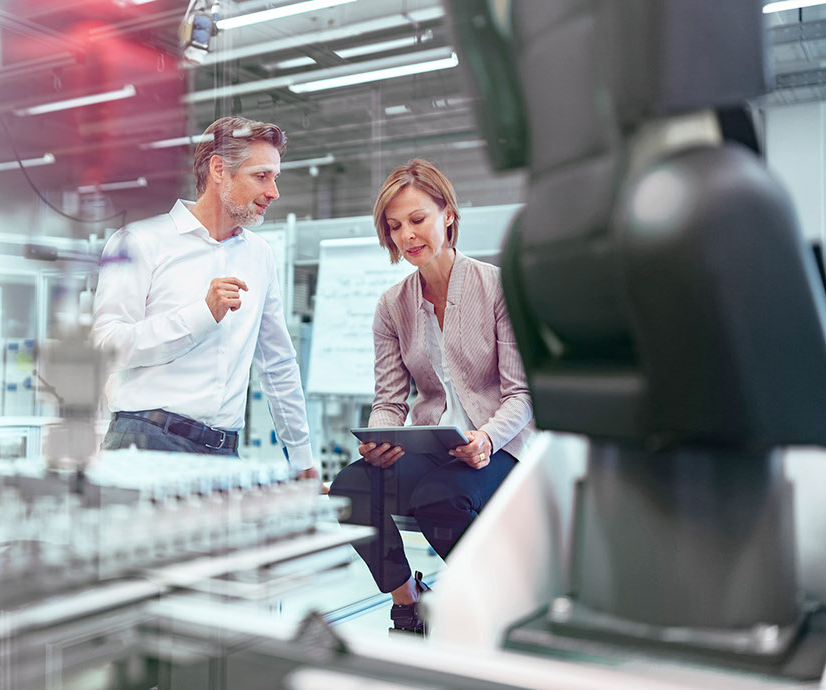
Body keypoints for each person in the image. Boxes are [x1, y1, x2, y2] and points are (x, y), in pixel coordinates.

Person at [329, 159, 534, 633]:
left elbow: (521, 394)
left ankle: (495, 602)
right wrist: (379, 440)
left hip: (497, 445)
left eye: (417, 220)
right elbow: (389, 399)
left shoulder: (495, 286)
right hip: (432, 445)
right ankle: (410, 599)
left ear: (447, 214)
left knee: (440, 499)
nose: (406, 236)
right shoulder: (391, 305)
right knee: (352, 487)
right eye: (395, 226)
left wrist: (485, 438)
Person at [92, 115, 318, 478]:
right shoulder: (140, 242)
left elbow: (277, 364)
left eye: (275, 178)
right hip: (147, 442)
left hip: (223, 451)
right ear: (219, 170)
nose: (273, 192)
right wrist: (201, 314)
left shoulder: (259, 256)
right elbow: (107, 347)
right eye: (261, 177)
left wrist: (301, 455)